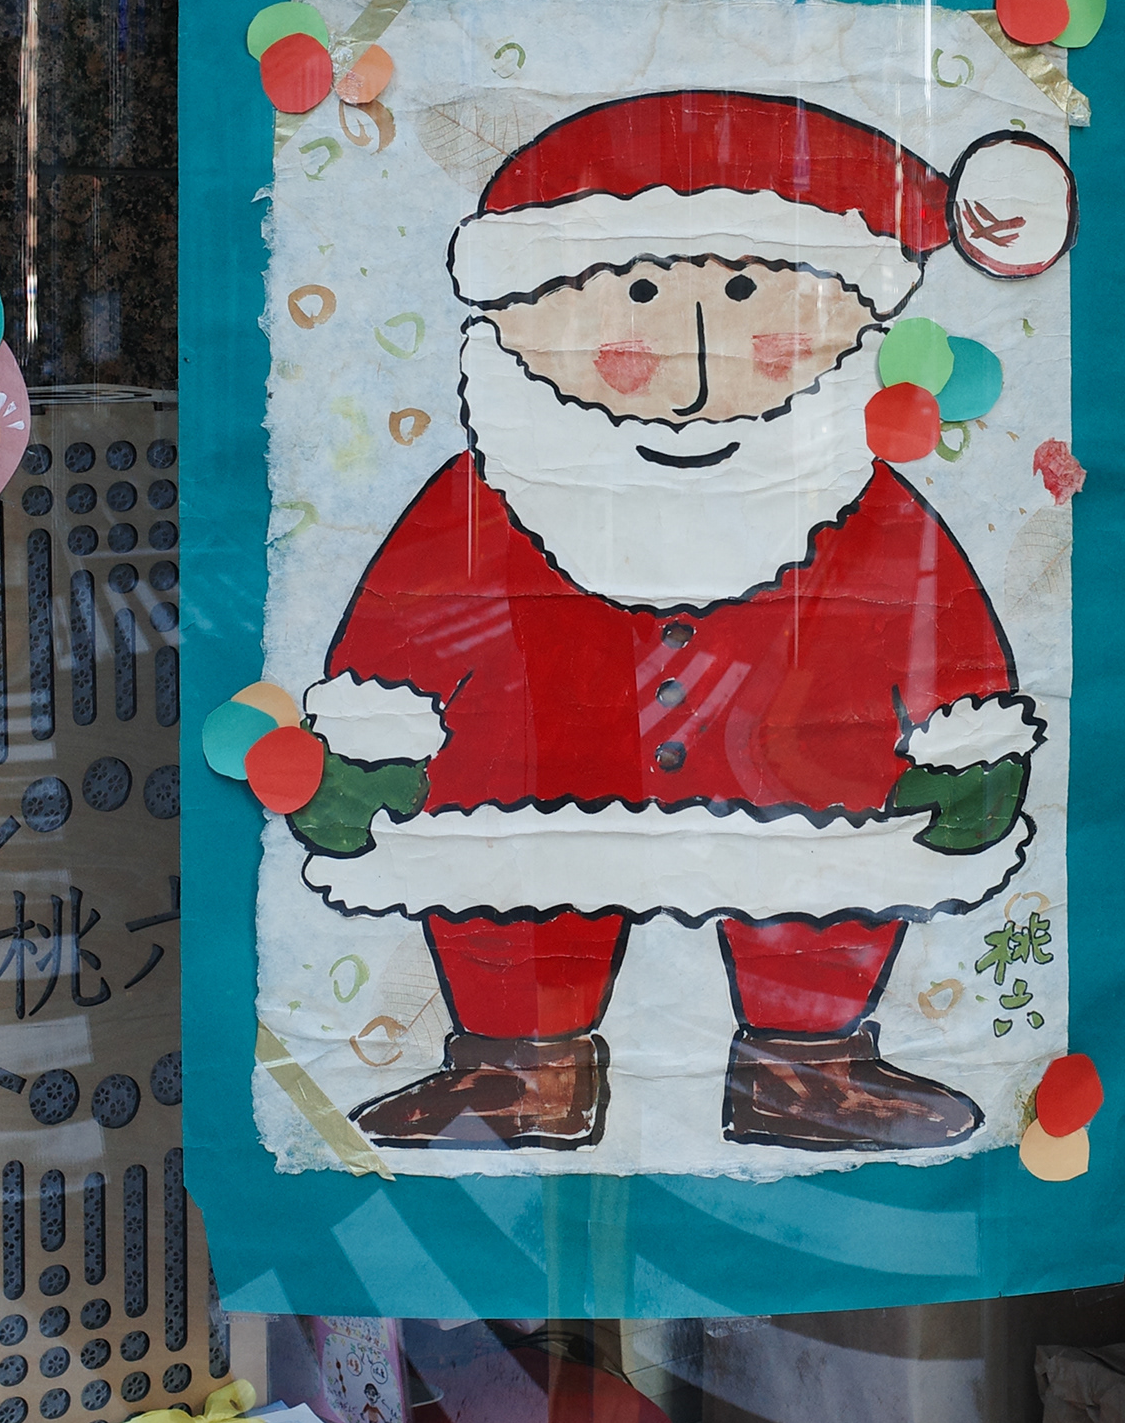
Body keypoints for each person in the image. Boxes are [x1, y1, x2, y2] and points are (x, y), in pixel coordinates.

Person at [280, 90, 1047, 1154]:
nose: (692, 346)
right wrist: (368, 751)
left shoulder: (859, 497)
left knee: (831, 884)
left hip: (800, 772)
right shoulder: (489, 494)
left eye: (744, 290)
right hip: (538, 769)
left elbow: (934, 618)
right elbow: (408, 624)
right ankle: (516, 1071)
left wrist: (963, 747)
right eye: (635, 290)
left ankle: (808, 1068)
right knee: (502, 882)